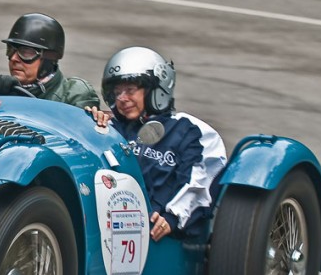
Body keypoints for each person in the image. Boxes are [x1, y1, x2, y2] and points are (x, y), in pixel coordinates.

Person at [97, 46, 227, 242]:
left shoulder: (189, 130)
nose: (122, 98)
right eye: (117, 92)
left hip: (162, 236)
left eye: (130, 90)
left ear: (155, 89)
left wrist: (173, 216)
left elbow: (201, 178)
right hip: (109, 225)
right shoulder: (110, 127)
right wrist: (92, 125)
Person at [0, 13, 101, 110]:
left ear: (49, 59)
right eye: (10, 50)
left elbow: (82, 132)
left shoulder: (73, 93)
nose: (14, 58)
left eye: (26, 52)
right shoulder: (5, 89)